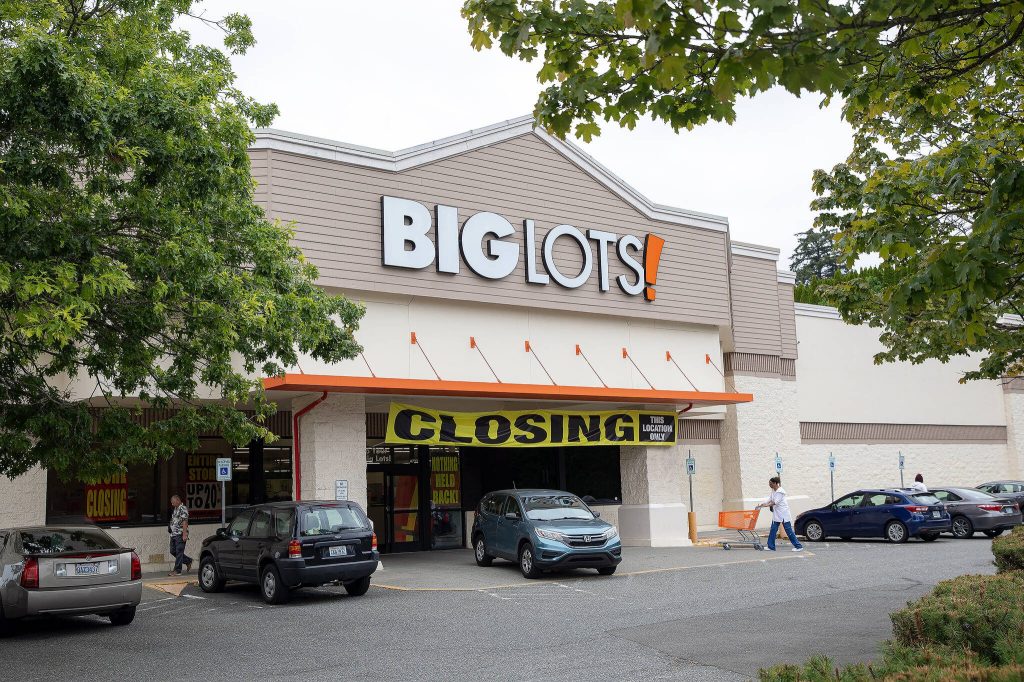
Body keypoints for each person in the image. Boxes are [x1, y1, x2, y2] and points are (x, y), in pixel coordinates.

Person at [756, 476, 804, 551]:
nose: (770, 485)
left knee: (788, 530)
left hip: (783, 514)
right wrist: (762, 504)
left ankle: (798, 546)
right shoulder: (773, 491)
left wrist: (766, 505)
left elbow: (775, 502)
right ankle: (771, 546)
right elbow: (770, 499)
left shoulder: (780, 492)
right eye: (769, 484)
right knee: (773, 530)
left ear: (775, 483)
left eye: (771, 484)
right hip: (777, 515)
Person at [168, 494, 193, 576]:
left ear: (178, 500)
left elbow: (185, 521)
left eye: (173, 502)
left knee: (179, 552)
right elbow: (174, 519)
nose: (172, 504)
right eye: (172, 503)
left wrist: (184, 534)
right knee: (172, 551)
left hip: (180, 533)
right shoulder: (175, 509)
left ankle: (177, 570)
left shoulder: (183, 508)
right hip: (173, 534)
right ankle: (188, 561)